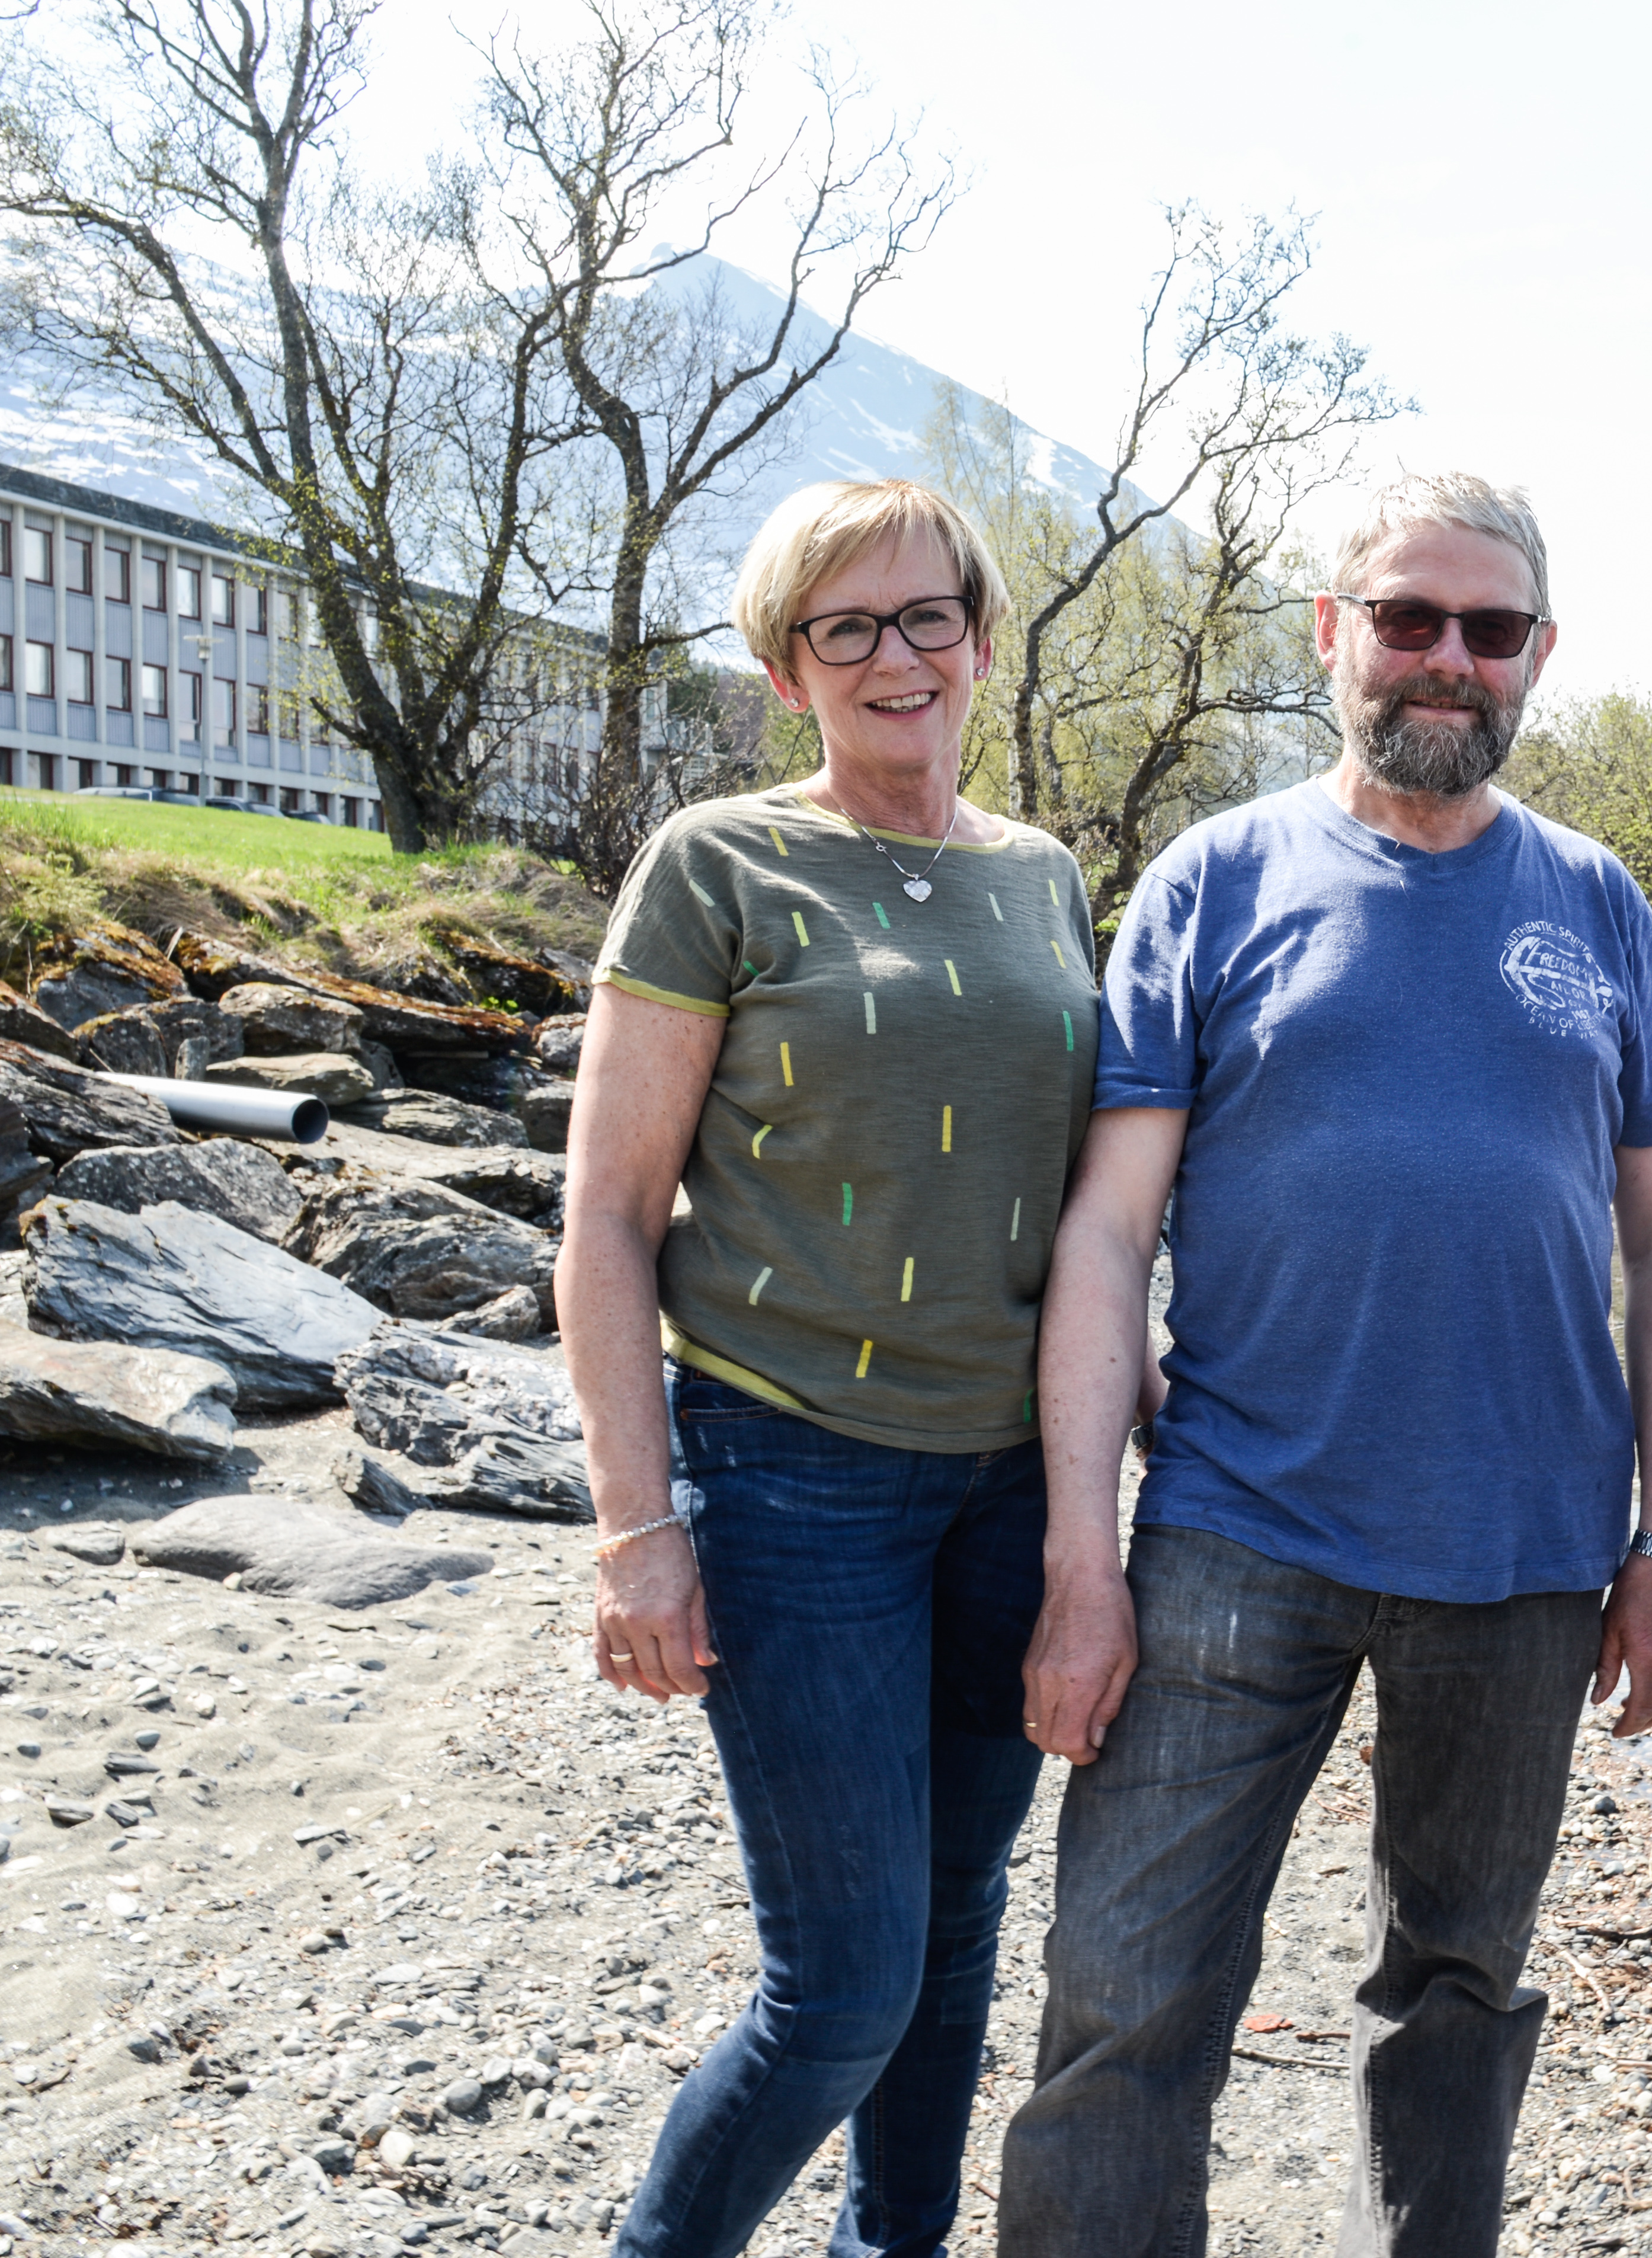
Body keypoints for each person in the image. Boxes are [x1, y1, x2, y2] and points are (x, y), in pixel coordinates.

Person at [995, 471, 1652, 2258]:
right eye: (1408, 617)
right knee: (1125, 1983)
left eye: (1491, 628)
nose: (1448, 657)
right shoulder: (1213, 881)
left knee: (1458, 1991)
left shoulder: (1598, 898)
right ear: (1331, 633)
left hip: (1527, 1553)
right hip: (1234, 1530)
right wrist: (1082, 1563)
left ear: (1538, 654)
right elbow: (1107, 1236)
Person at [562, 478, 1112, 2258]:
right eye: (844, 627)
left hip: (1011, 1483)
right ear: (788, 665)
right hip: (792, 1473)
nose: (895, 656)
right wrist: (636, 1529)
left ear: (979, 637)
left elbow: (1093, 1202)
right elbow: (608, 1221)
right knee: (842, 1988)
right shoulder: (715, 863)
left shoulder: (1044, 876)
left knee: (954, 1928)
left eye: (926, 615)